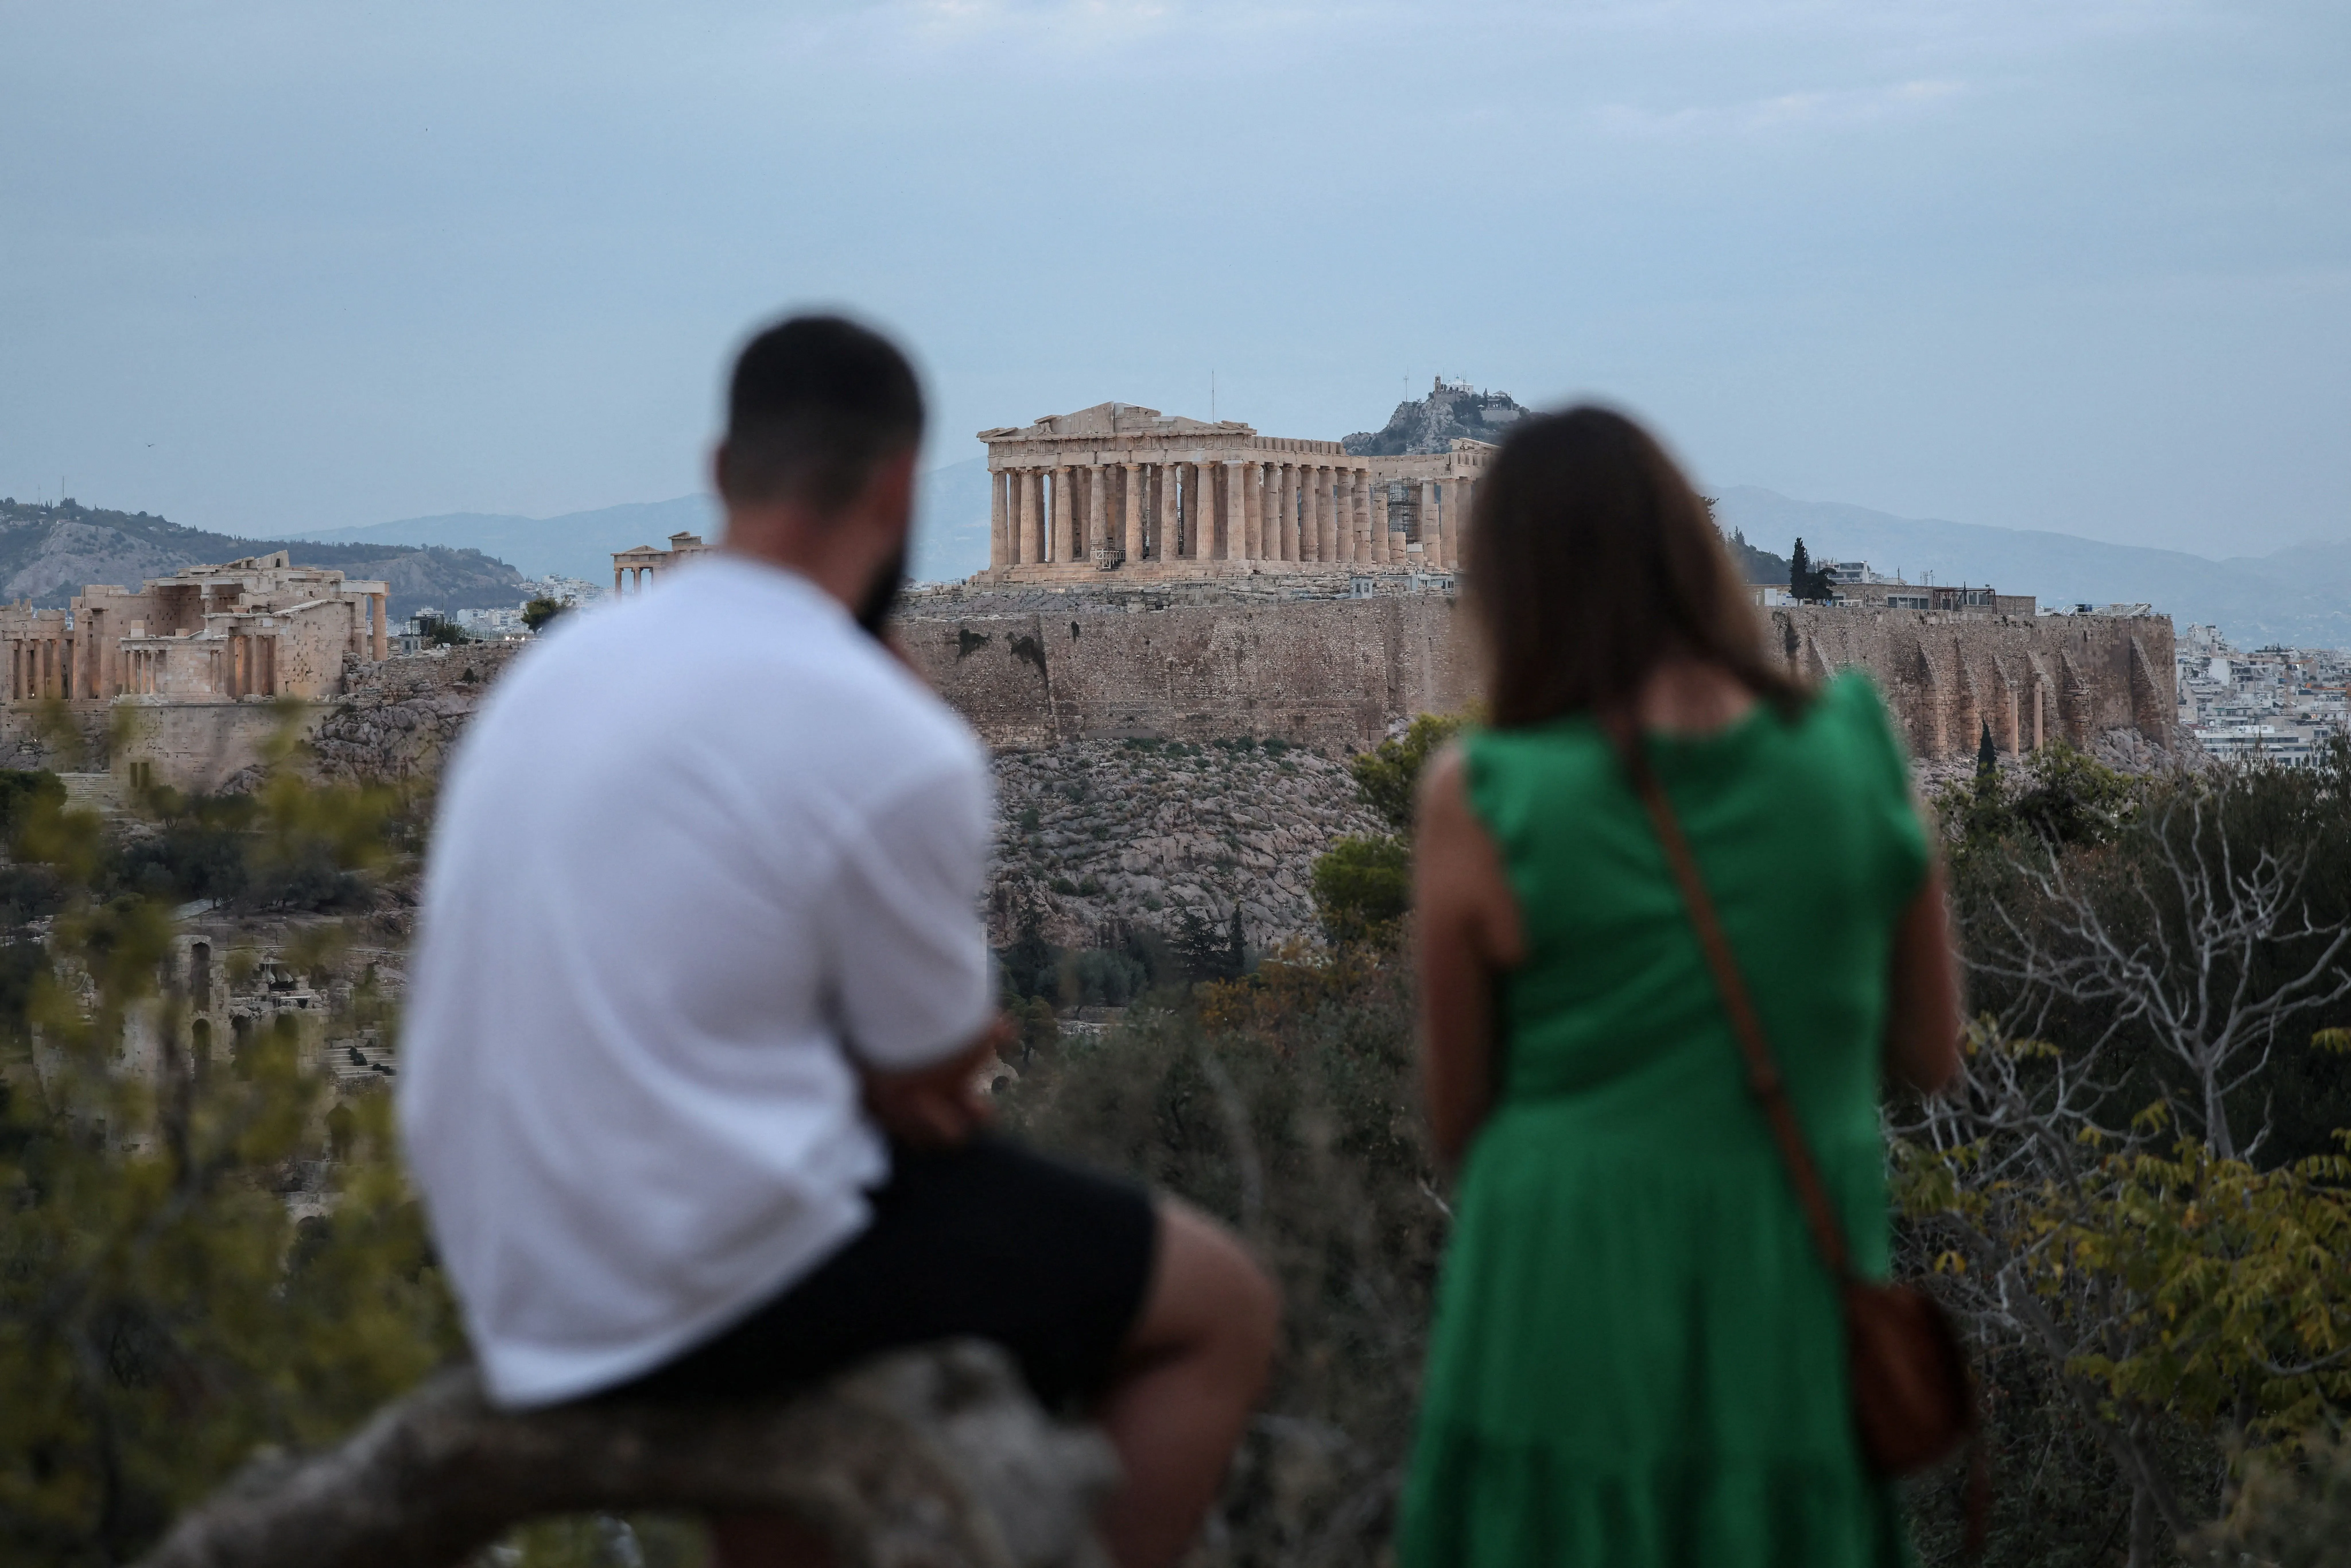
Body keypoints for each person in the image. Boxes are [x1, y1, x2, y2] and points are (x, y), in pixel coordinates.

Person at [399, 315, 1277, 1568]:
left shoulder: (554, 669)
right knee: (1219, 1305)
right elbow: (937, 1078)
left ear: (719, 473)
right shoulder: (885, 732)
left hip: (509, 1259)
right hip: (705, 1272)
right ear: (903, 485)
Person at [1397, 407, 1961, 1567]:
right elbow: (1929, 1050)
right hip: (1785, 1285)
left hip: (1553, 1286)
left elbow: (1457, 1118)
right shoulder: (1851, 747)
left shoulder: (1483, 793)